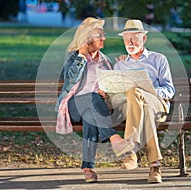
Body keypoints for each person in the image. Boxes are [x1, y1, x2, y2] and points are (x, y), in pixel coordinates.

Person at [55, 17, 135, 183]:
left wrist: (107, 93)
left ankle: (88, 167)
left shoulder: (105, 60)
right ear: (88, 38)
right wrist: (82, 57)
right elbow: (70, 80)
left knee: (91, 116)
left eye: (103, 35)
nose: (104, 38)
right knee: (91, 99)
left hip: (96, 108)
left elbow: (112, 86)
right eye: (100, 35)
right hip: (73, 105)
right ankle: (113, 138)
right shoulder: (73, 56)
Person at [112, 19, 175, 183]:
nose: (130, 42)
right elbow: (116, 94)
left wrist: (152, 91)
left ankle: (131, 151)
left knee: (139, 96)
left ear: (144, 39)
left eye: (134, 38)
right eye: (127, 39)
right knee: (141, 106)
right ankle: (155, 166)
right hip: (132, 108)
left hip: (157, 104)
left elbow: (170, 90)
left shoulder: (158, 59)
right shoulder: (120, 65)